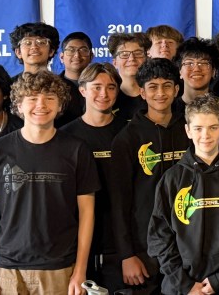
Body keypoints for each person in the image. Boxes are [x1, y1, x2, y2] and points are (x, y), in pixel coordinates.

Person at [0, 71, 99, 295]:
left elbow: (87, 213)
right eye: (32, 98)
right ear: (19, 105)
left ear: (60, 105)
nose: (41, 105)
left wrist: (80, 270)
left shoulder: (77, 150)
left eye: (49, 98)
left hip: (60, 269)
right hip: (6, 270)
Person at [148, 94, 219, 295]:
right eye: (198, 128)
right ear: (188, 131)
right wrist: (185, 284)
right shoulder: (172, 178)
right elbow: (160, 239)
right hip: (180, 289)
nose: (205, 135)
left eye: (213, 127)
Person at [110, 58, 189, 293]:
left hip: (188, 243)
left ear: (176, 90)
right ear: (142, 93)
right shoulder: (127, 139)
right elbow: (119, 202)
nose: (160, 93)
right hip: (144, 249)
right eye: (153, 87)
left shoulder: (190, 131)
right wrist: (127, 255)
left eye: (167, 86)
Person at [59, 63, 129, 291]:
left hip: (120, 244)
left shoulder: (130, 133)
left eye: (111, 87)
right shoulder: (65, 137)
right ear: (82, 90)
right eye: (97, 87)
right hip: (75, 245)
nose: (104, 94)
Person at [108, 32, 150, 121]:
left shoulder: (156, 94)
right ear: (115, 62)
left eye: (138, 53)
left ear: (146, 59)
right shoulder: (106, 95)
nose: (131, 58)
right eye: (124, 54)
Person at [57, 32, 94, 127]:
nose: (77, 55)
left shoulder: (100, 85)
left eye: (83, 50)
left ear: (91, 56)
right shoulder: (52, 87)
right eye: (71, 50)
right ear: (62, 57)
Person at [175, 37, 219, 109]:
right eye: (189, 63)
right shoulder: (169, 109)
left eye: (203, 63)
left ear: (213, 71)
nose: (196, 69)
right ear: (180, 72)